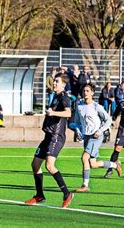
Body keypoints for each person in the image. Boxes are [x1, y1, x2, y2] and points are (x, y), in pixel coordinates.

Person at [25, 73, 73, 208]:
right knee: (35, 164)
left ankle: (67, 193)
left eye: (57, 81)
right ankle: (39, 195)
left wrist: (53, 113)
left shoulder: (64, 98)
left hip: (56, 137)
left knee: (49, 166)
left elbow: (68, 113)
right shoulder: (56, 97)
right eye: (55, 81)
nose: (55, 83)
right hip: (48, 136)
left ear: (63, 84)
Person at [73, 83, 120, 192]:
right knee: (92, 164)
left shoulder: (96, 106)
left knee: (84, 157)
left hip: (96, 136)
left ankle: (85, 185)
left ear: (92, 93)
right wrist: (78, 130)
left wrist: (100, 131)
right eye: (84, 91)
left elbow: (108, 120)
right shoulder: (79, 106)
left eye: (88, 91)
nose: (85, 93)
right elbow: (76, 122)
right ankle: (114, 164)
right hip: (86, 136)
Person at [104, 99, 124, 179]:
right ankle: (110, 169)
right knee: (117, 149)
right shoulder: (122, 104)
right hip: (123, 130)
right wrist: (111, 122)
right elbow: (115, 115)